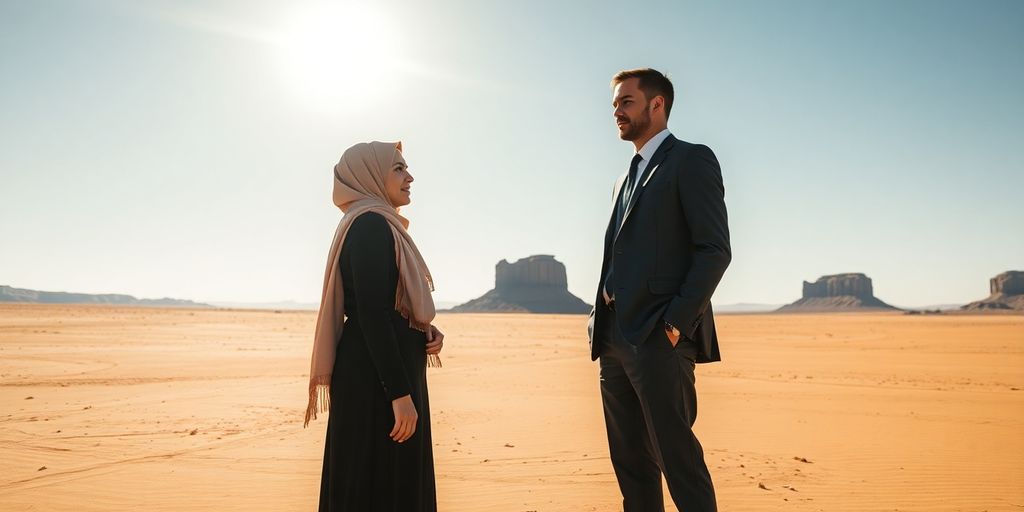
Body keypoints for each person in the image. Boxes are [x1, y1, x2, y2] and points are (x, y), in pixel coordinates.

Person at [588, 68, 731, 511]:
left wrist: (674, 323)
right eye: (614, 103)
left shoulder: (691, 159)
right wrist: (599, 320)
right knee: (631, 465)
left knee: (678, 461)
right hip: (613, 338)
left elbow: (714, 250)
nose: (617, 111)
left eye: (626, 101)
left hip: (658, 337)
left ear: (657, 105)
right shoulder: (622, 178)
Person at [305, 141, 443, 512]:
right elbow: (370, 312)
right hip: (377, 386)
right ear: (369, 174)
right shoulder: (369, 226)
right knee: (380, 488)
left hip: (382, 374)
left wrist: (421, 329)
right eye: (398, 168)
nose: (409, 176)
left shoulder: (379, 224)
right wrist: (399, 395)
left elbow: (387, 306)